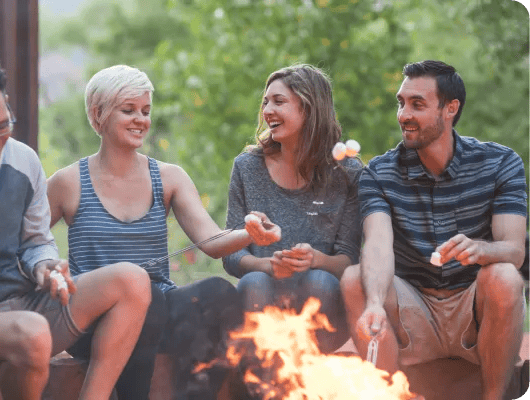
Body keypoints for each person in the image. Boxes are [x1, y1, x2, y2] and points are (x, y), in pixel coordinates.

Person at [46, 64, 281, 399]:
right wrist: (50, 271)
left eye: (145, 111)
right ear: (98, 115)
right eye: (128, 110)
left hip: (158, 310)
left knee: (217, 292)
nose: (141, 120)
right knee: (146, 297)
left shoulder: (169, 177)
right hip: (97, 320)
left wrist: (250, 232)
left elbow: (212, 243)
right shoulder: (67, 182)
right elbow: (29, 240)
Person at [0, 52, 152, 400]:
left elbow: (35, 241)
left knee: (133, 280)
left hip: (20, 304)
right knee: (30, 331)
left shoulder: (22, 160)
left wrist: (46, 267)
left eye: (3, 126)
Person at [340, 60, 527, 400]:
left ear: (450, 109)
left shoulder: (501, 163)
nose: (404, 115)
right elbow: (378, 244)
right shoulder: (379, 173)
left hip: (473, 311)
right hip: (414, 312)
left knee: (504, 275)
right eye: (401, 103)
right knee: (356, 279)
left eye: (417, 104)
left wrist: (482, 249)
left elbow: (514, 250)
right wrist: (376, 302)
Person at [223, 64, 362, 354]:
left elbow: (349, 259)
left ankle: (310, 385)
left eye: (279, 101)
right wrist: (268, 265)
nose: (268, 110)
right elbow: (231, 253)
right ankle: (261, 387)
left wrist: (316, 259)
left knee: (320, 282)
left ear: (310, 109)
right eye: (265, 102)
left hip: (324, 304)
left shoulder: (347, 172)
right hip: (262, 296)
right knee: (254, 282)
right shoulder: (247, 167)